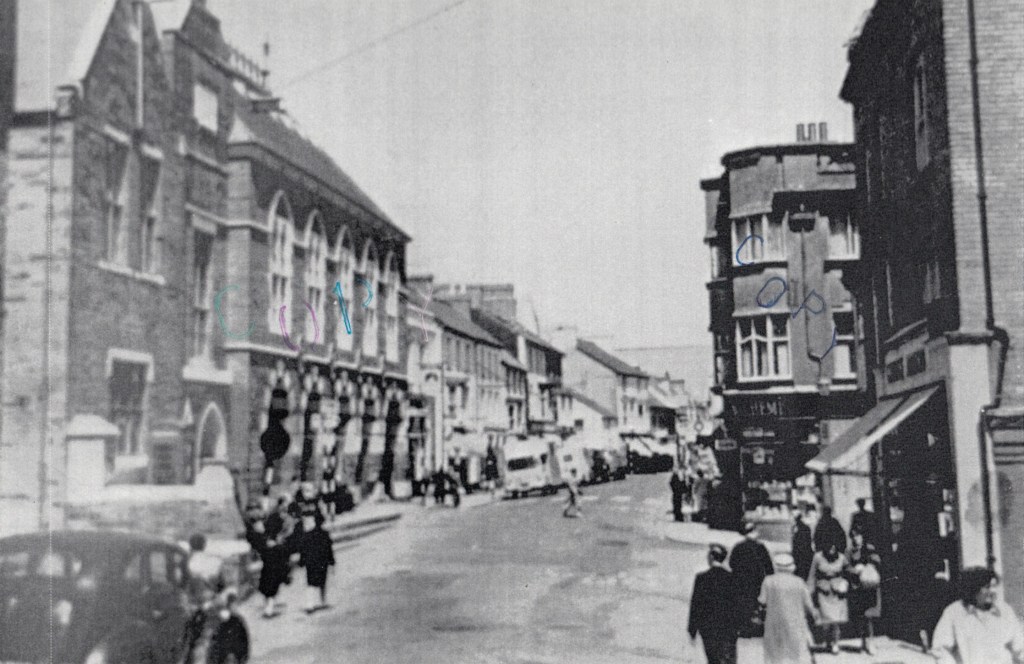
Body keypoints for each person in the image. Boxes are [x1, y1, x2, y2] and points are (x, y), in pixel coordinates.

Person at [931, 567, 1024, 664]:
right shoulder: (955, 612)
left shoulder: (1005, 611)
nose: (993, 591)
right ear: (973, 588)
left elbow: (1020, 648)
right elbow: (941, 650)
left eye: (995, 586)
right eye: (987, 587)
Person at [759, 552, 819, 664]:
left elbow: (762, 601)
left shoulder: (768, 581)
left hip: (774, 625)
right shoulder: (799, 582)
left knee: (776, 656)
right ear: (792, 567)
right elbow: (809, 604)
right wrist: (815, 615)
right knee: (796, 656)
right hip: (796, 624)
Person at [688, 543, 741, 664]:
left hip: (708, 630)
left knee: (713, 660)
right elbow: (737, 604)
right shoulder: (732, 578)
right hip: (728, 630)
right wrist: (739, 627)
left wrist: (692, 630)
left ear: (711, 557)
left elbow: (696, 605)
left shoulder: (702, 578)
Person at [729, 521, 774, 636]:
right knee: (754, 602)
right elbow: (769, 566)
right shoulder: (760, 547)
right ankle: (752, 625)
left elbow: (731, 563)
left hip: (741, 581)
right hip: (756, 581)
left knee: (742, 602)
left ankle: (743, 626)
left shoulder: (738, 547)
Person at [807, 542, 849, 654]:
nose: (832, 548)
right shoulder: (817, 557)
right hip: (823, 592)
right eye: (829, 545)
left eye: (834, 546)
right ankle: (828, 641)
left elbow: (848, 572)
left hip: (838, 592)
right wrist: (809, 593)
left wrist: (846, 583)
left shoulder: (842, 558)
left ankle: (835, 643)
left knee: (836, 621)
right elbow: (812, 575)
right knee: (826, 622)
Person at [845, 527, 881, 655]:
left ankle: (870, 642)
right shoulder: (849, 551)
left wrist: (868, 565)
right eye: (853, 536)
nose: (856, 538)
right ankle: (862, 641)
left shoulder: (869, 549)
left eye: (858, 535)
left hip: (869, 586)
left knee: (869, 616)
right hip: (857, 587)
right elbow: (846, 566)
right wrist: (855, 570)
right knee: (859, 616)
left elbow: (878, 561)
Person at [299, 511, 335, 613]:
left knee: (310, 582)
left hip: (311, 562)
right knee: (322, 582)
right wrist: (332, 562)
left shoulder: (307, 535)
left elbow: (303, 550)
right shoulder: (325, 534)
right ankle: (323, 601)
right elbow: (329, 550)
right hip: (322, 562)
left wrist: (302, 562)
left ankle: (309, 604)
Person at [791, 514, 814, 581]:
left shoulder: (797, 528)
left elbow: (795, 542)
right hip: (805, 554)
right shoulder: (805, 527)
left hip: (801, 554)